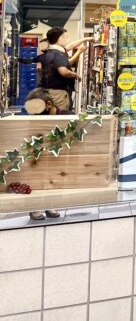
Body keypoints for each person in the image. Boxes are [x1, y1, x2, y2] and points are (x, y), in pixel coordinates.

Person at [23, 88, 63, 221]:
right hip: (38, 153)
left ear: (49, 104)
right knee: (37, 175)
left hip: (57, 154)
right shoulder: (35, 119)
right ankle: (36, 207)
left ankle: (50, 204)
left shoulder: (65, 116)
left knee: (54, 175)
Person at [40, 27, 82, 112]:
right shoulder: (57, 54)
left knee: (52, 115)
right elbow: (64, 71)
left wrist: (86, 39)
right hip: (58, 94)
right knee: (60, 117)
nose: (67, 39)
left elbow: (69, 47)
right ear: (59, 39)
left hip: (49, 91)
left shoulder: (51, 51)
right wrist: (75, 75)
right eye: (65, 37)